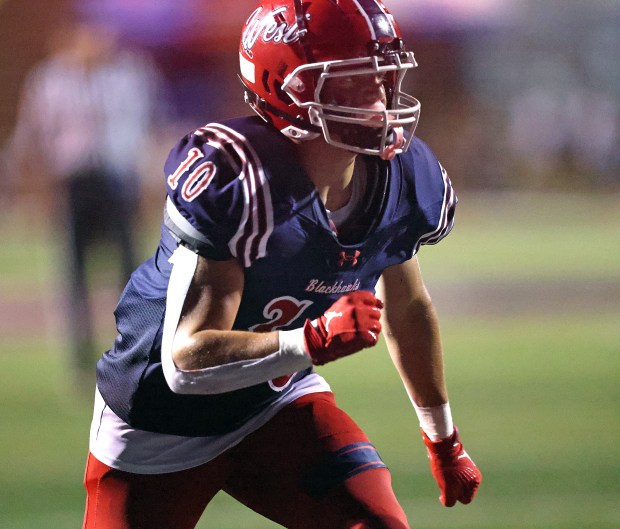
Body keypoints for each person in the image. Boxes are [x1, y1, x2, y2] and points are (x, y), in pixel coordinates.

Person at [82, 1, 482, 528]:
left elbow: (407, 308)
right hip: (158, 420)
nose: (382, 96)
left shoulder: (402, 178)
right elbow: (185, 361)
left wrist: (443, 439)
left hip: (273, 401)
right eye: (357, 79)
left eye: (384, 72)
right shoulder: (242, 181)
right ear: (291, 88)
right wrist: (309, 341)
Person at [8, 20, 165, 378]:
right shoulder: (50, 80)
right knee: (74, 273)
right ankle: (80, 358)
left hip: (117, 180)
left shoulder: (129, 76)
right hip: (74, 181)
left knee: (132, 273)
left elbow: (147, 127)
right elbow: (33, 135)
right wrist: (35, 187)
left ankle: (136, 350)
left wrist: (149, 179)